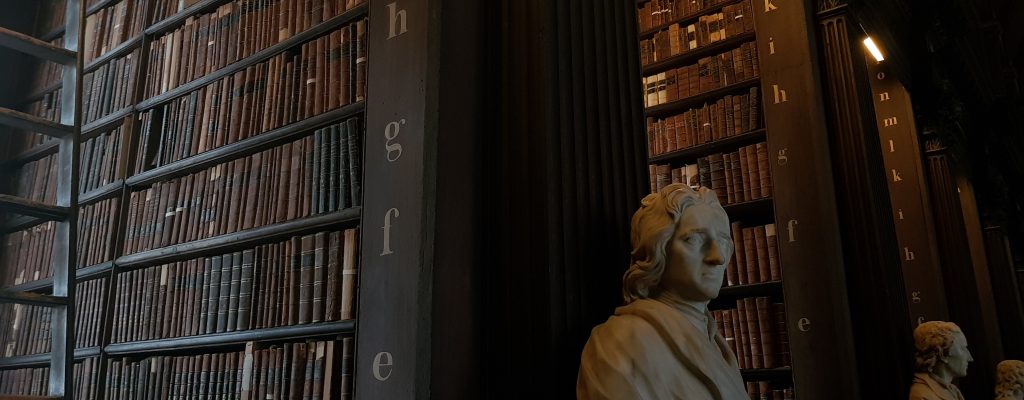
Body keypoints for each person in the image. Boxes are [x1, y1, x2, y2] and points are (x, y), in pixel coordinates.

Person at [577, 184, 746, 400]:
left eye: (722, 241)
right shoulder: (620, 343)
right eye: (694, 239)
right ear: (658, 249)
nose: (718, 257)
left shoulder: (715, 342)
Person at [909, 321, 973, 400]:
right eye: (962, 348)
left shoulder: (952, 390)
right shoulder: (922, 396)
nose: (970, 358)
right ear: (942, 355)